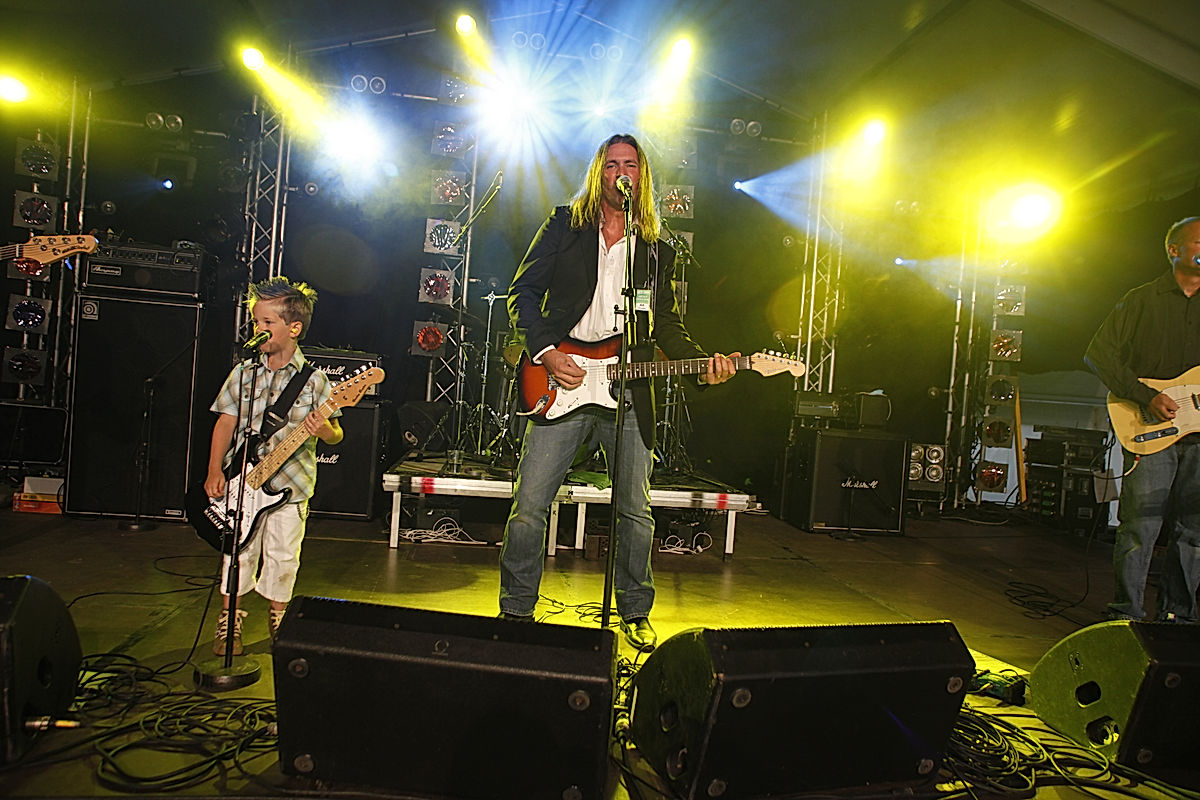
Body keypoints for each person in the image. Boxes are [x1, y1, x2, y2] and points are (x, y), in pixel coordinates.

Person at [500, 133, 738, 650]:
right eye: (612, 165)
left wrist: (702, 366)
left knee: (635, 509)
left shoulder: (654, 249)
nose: (620, 173)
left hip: (626, 385)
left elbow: (665, 324)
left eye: (630, 165)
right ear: (599, 172)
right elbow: (523, 292)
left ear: (641, 176)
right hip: (561, 375)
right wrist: (546, 353)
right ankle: (515, 609)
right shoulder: (565, 225)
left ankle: (634, 611)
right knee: (530, 504)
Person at [204, 276, 343, 655]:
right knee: (239, 553)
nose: (259, 329)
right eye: (256, 321)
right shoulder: (244, 373)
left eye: (267, 322)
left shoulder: (314, 381)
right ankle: (230, 621)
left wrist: (325, 430)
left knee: (284, 555)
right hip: (244, 481)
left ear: (293, 328)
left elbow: (336, 435)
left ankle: (279, 620)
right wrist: (214, 470)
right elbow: (225, 422)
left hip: (291, 485)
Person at [1085, 215, 1200, 624]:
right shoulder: (1141, 300)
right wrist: (1146, 396)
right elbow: (1099, 355)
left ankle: (1180, 619)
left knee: (1194, 530)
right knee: (1140, 526)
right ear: (1174, 250)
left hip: (1198, 437)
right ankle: (1126, 615)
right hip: (1149, 427)